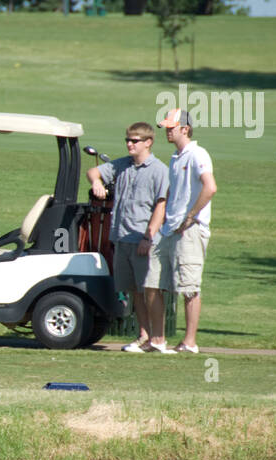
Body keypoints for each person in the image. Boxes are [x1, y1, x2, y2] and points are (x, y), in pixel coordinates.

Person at [87, 122, 169, 352]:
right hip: (121, 237)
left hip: (144, 239)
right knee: (135, 292)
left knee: (150, 290)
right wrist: (96, 182)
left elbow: (160, 206)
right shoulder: (122, 164)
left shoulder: (159, 170)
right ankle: (144, 336)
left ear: (148, 142)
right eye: (128, 140)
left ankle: (158, 338)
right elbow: (93, 172)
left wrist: (148, 236)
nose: (129, 144)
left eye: (134, 141)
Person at [154, 108, 216, 354]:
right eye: (167, 127)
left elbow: (210, 187)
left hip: (189, 229)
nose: (168, 131)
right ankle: (158, 339)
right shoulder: (175, 157)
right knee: (162, 284)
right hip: (171, 228)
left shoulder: (196, 154)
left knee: (189, 287)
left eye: (172, 127)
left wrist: (191, 217)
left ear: (185, 129)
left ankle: (190, 341)